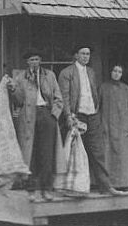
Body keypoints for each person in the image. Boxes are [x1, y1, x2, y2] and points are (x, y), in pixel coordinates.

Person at [58, 45, 121, 196]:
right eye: (83, 54)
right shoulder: (67, 73)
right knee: (76, 151)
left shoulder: (91, 72)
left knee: (97, 151)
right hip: (76, 115)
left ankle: (105, 186)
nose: (86, 56)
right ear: (76, 55)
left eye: (88, 54)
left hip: (92, 115)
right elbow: (64, 97)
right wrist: (68, 115)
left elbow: (94, 93)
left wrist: (96, 110)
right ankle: (73, 187)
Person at [7, 47, 63, 201]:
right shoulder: (20, 77)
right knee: (30, 153)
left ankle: (46, 189)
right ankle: (31, 189)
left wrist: (54, 115)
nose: (35, 62)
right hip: (28, 117)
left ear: (40, 61)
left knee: (47, 153)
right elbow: (18, 101)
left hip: (46, 114)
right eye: (32, 60)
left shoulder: (49, 75)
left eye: (37, 59)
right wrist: (13, 90)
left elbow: (59, 97)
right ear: (27, 62)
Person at [98, 64, 128, 189]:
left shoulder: (126, 89)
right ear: (111, 72)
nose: (116, 73)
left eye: (119, 71)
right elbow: (97, 107)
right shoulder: (103, 88)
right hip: (107, 126)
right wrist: (100, 124)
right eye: (114, 70)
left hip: (122, 128)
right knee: (108, 154)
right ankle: (108, 184)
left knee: (123, 156)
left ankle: (125, 183)